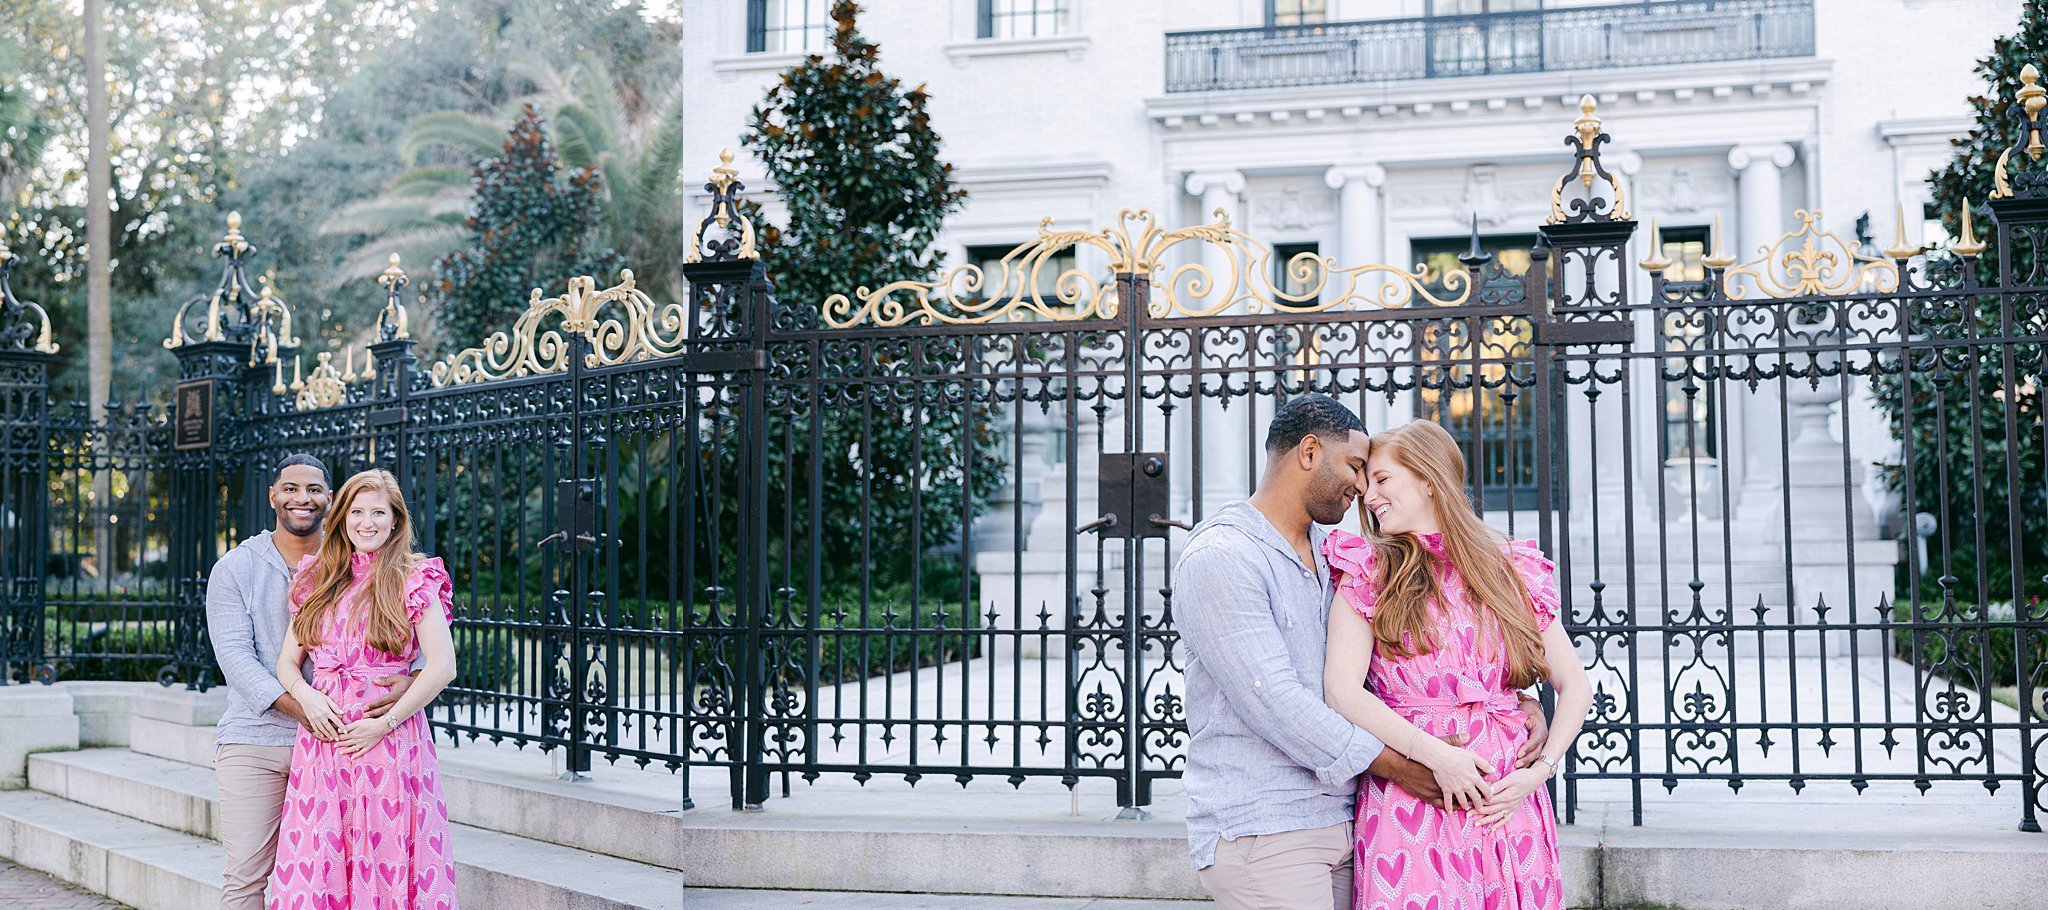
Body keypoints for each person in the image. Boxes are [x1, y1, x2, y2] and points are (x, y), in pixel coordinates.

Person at [1174, 395, 1547, 910]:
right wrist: (1402, 764)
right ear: (1308, 452)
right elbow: (1277, 703)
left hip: (1348, 820)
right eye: (1354, 466)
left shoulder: (1333, 556)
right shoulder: (1224, 557)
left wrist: (1513, 705)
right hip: (1268, 828)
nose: (1362, 486)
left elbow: (1392, 664)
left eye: (1373, 475)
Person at [1320, 419, 1591, 910]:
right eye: (1366, 485)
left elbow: (1574, 684)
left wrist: (1540, 772)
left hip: (1507, 804)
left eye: (1383, 480)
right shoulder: (1369, 569)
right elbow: (1341, 690)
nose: (1368, 495)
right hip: (1414, 794)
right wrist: (1437, 757)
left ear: (1428, 478)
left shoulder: (1509, 566)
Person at [205, 455, 419, 910]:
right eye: (290, 488)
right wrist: (311, 710)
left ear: (330, 499)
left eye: (314, 490)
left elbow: (411, 647)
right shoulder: (235, 568)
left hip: (342, 749)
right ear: (273, 496)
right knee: (246, 877)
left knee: (336, 879)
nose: (302, 498)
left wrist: (408, 682)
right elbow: (237, 661)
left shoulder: (360, 561)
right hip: (257, 742)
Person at [268, 469, 459, 910]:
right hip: (323, 743)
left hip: (388, 742)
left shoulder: (414, 578)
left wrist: (385, 723)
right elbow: (286, 662)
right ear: (342, 517)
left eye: (378, 512)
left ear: (396, 520)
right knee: (321, 858)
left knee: (385, 852)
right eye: (356, 511)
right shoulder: (318, 576)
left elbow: (443, 666)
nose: (366, 522)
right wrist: (309, 696)